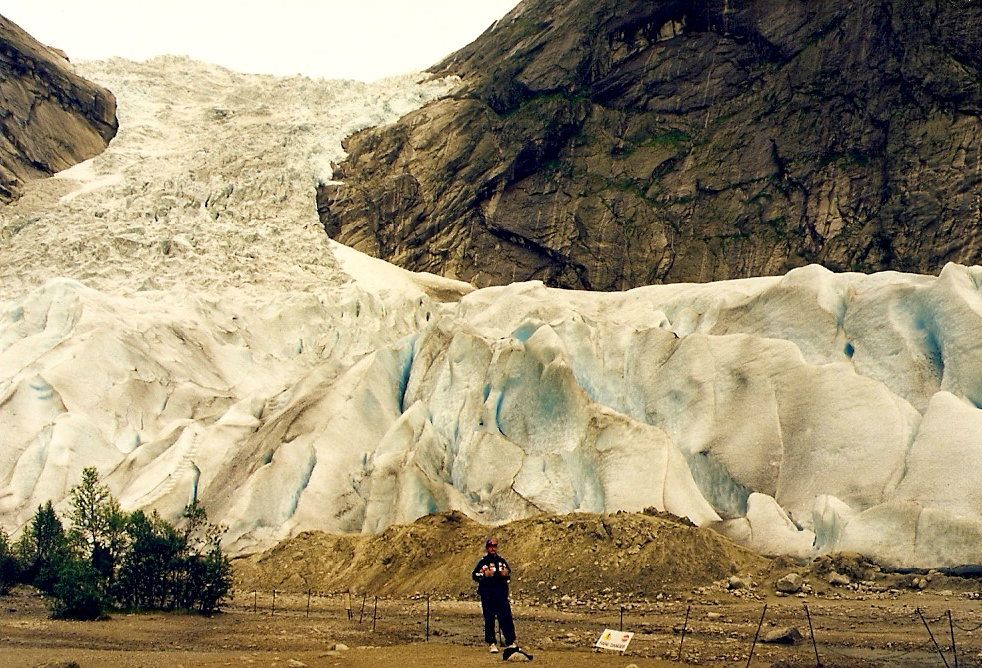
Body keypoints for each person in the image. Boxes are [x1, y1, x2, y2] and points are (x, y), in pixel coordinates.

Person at [472, 537, 516, 654]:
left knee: (506, 617)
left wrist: (505, 574)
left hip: (501, 594)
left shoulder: (502, 561)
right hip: (488, 595)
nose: (493, 548)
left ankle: (510, 641)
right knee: (489, 618)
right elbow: (475, 575)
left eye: (495, 546)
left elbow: (508, 573)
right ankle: (491, 642)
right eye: (491, 546)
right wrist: (484, 575)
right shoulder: (483, 562)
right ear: (487, 548)